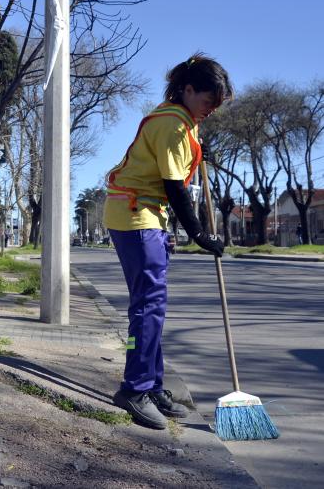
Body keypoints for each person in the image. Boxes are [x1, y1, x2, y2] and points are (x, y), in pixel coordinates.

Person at [103, 53, 232, 430]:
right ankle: (134, 388)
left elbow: (174, 169)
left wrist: (197, 151)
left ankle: (153, 385)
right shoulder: (175, 126)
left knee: (153, 304)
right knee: (148, 305)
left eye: (217, 104)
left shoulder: (182, 122)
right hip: (136, 214)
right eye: (208, 101)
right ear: (188, 90)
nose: (211, 109)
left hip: (144, 214)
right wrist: (199, 233)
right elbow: (176, 189)